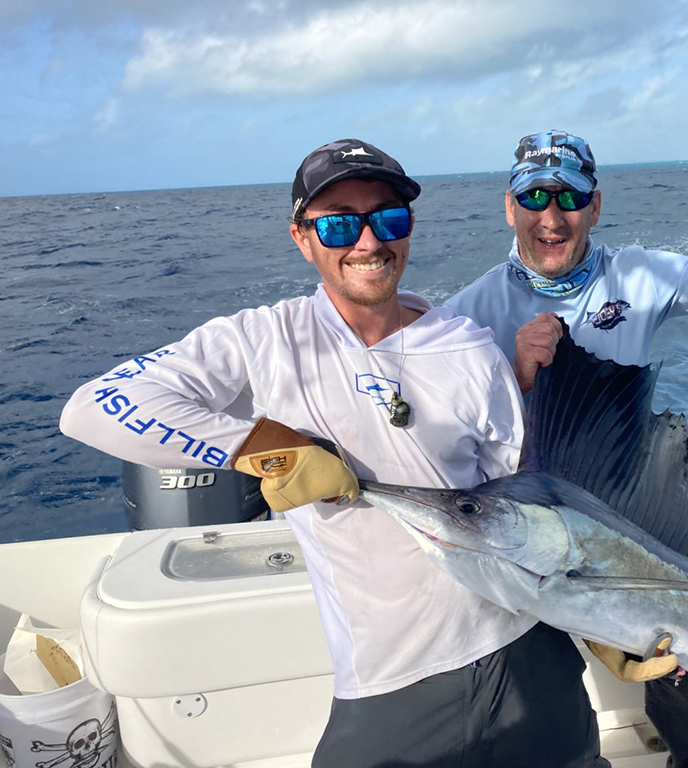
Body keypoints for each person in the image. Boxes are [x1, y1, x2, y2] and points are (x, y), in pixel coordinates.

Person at [60, 138, 608, 768]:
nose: (369, 242)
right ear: (302, 236)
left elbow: (527, 508)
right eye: (340, 223)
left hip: (526, 646)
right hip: (392, 678)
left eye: (388, 218)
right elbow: (95, 405)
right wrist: (257, 444)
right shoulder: (265, 339)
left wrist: (604, 620)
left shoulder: (470, 347)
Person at [445, 130, 688, 768]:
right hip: (516, 530)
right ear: (510, 207)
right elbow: (430, 421)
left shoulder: (636, 273)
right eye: (534, 198)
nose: (552, 218)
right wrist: (509, 372)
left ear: (596, 205)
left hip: (627, 518)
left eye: (570, 199)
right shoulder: (468, 311)